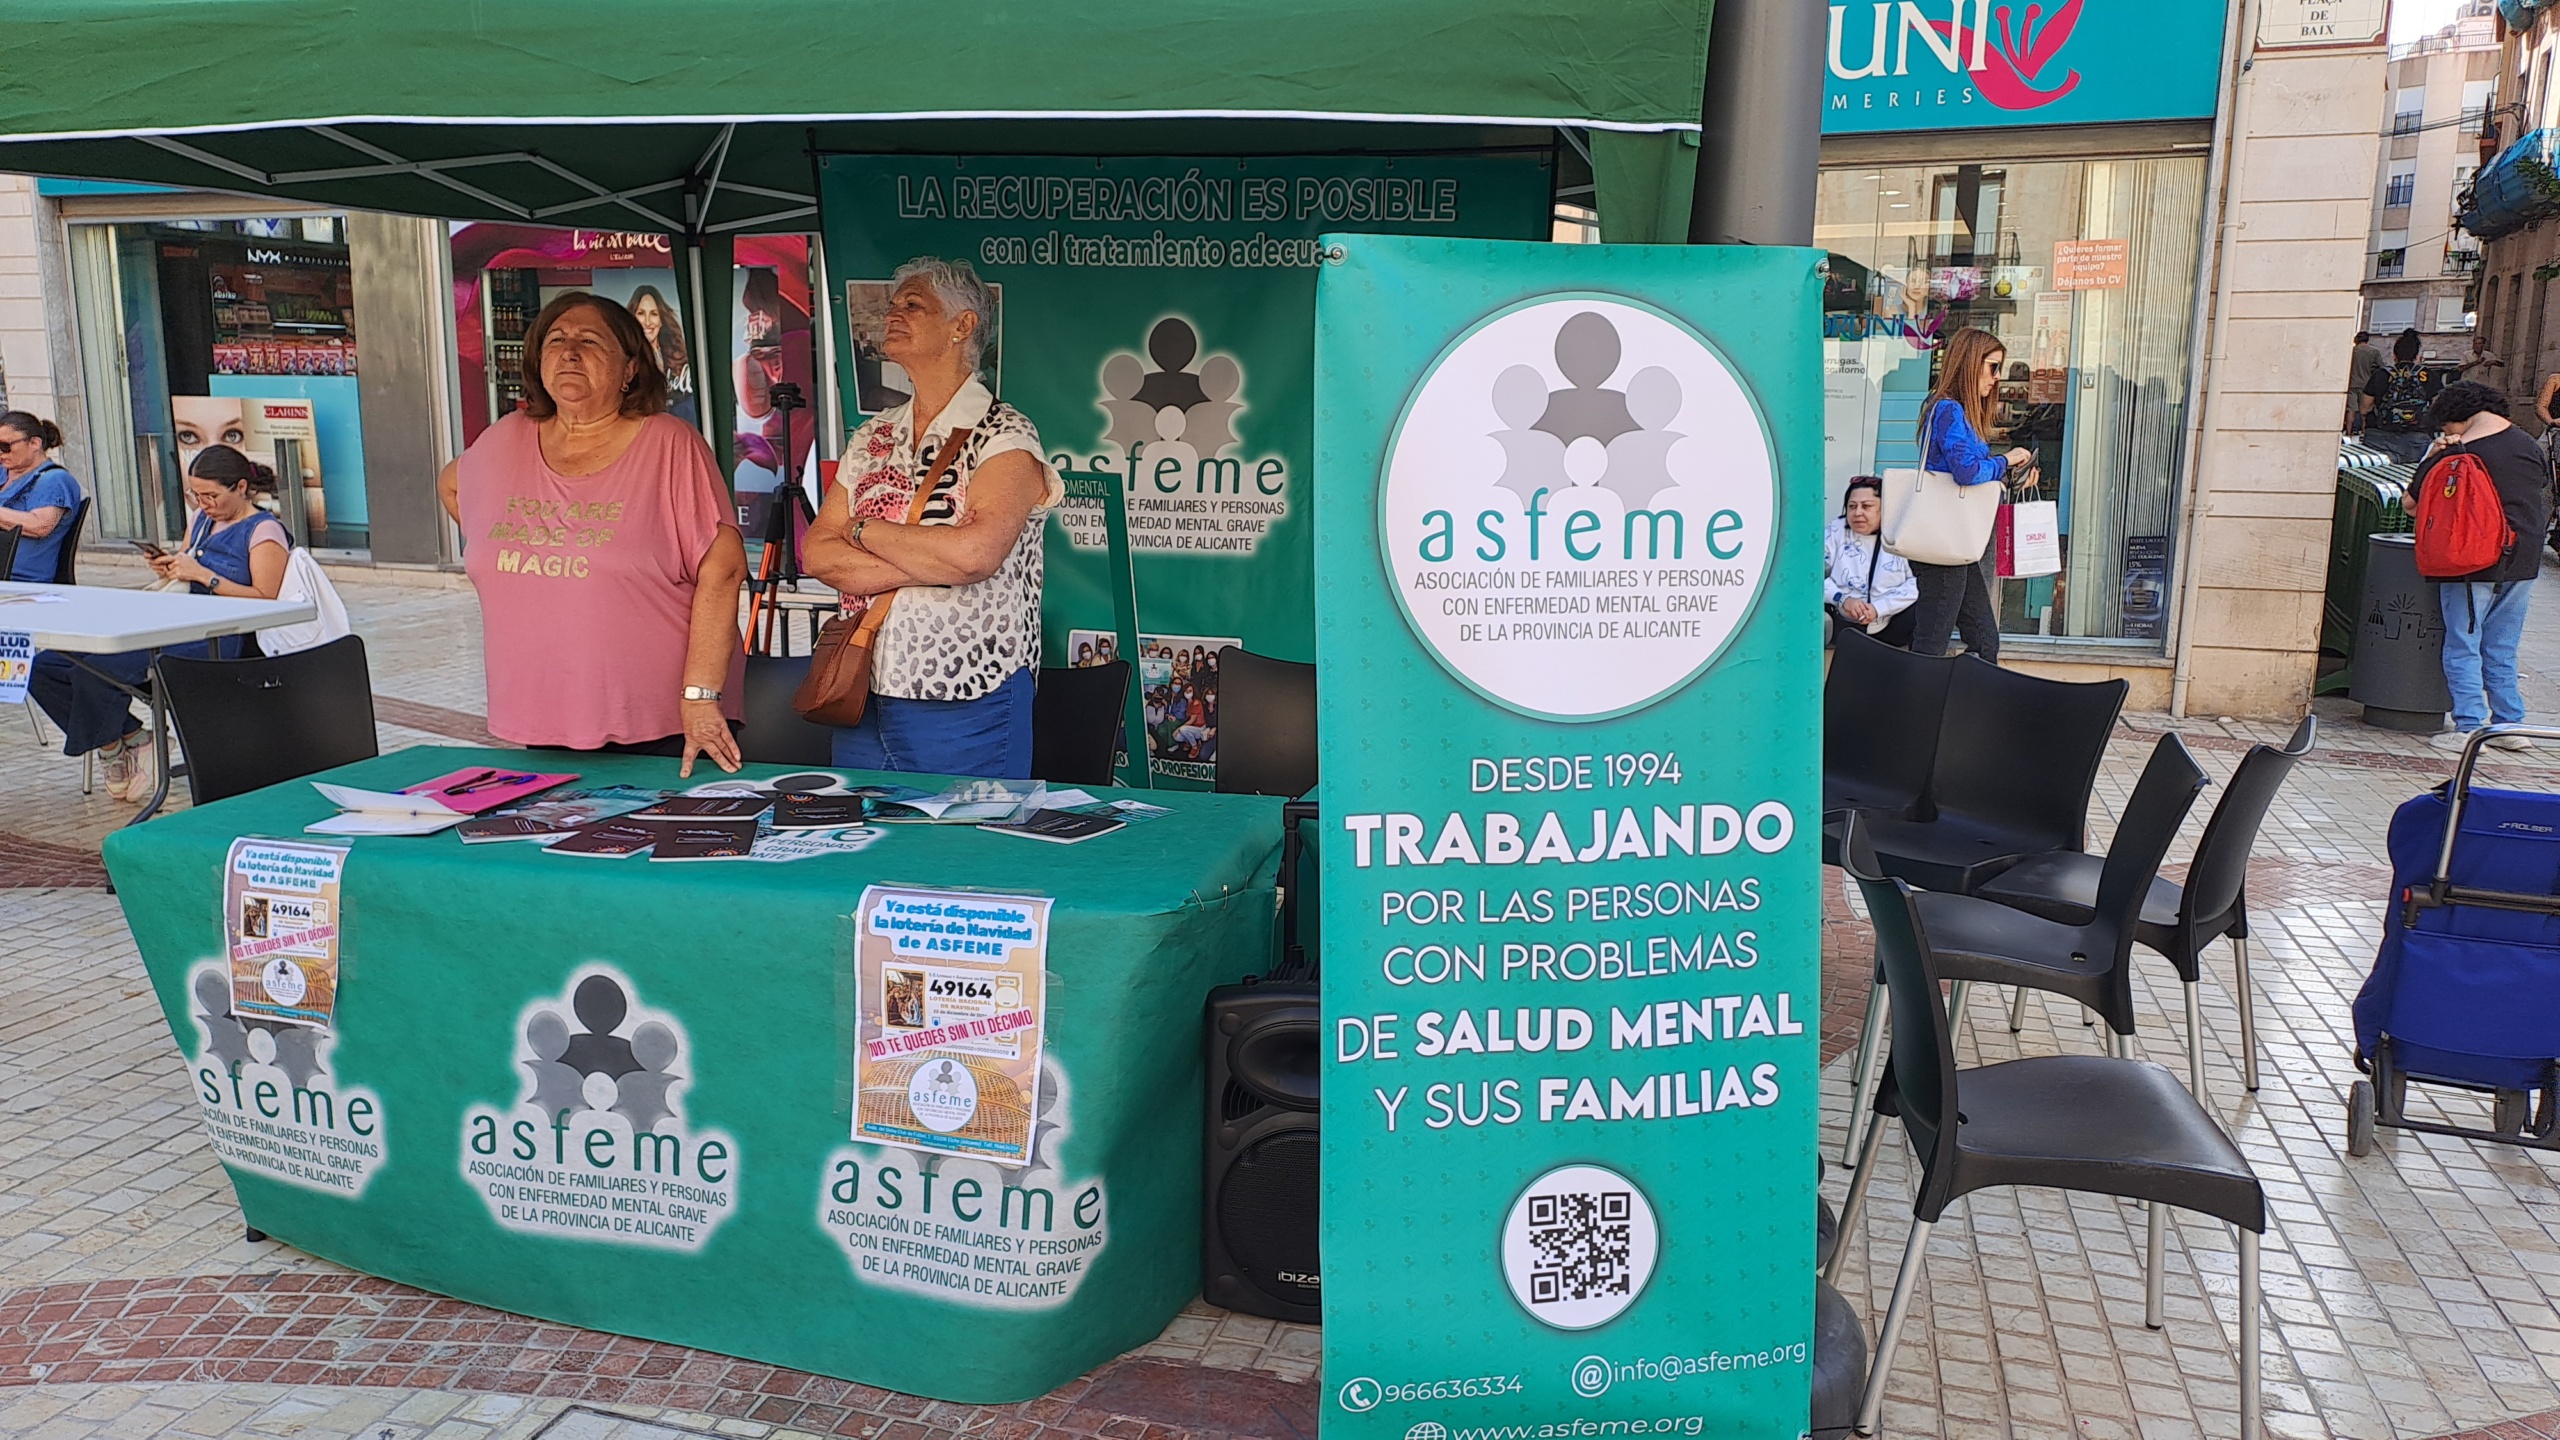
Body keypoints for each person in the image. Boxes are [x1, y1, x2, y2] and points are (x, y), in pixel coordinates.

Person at [436, 291, 747, 775]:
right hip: (545, 718)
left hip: (667, 724)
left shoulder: (669, 443)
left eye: (590, 341)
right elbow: (451, 484)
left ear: (629, 368)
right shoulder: (505, 438)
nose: (570, 351)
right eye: (556, 340)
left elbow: (724, 571)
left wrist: (701, 696)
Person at [802, 257, 1062, 777]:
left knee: (963, 853)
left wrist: (861, 532)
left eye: (913, 305)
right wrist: (930, 556)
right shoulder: (873, 435)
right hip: (862, 682)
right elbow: (816, 553)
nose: (892, 314)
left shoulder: (1004, 434)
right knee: (865, 847)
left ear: (962, 326)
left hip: (967, 691)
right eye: (893, 305)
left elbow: (973, 556)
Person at [29, 445, 291, 800]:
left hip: (220, 636)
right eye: (195, 495)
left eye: (211, 495)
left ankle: (115, 748)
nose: (203, 503)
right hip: (175, 617)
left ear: (241, 488)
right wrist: (172, 567)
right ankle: (131, 739)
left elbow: (266, 599)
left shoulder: (264, 530)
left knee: (96, 669)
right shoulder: (201, 519)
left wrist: (205, 576)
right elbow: (187, 567)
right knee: (44, 665)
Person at [2419, 382, 2552, 753]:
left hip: (2471, 558)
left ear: (2457, 418)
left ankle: (2469, 725)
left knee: (2463, 642)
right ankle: (2510, 724)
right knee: (2502, 645)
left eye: (2445, 426)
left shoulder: (2459, 451)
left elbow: (2413, 502)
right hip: (2524, 558)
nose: (2444, 433)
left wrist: (2433, 454)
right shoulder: (2528, 446)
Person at [1907, 326, 2034, 660]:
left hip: (1956, 540)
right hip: (1941, 540)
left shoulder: (1954, 411)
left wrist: (2009, 476)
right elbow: (1966, 471)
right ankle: (1918, 709)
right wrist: (2005, 460)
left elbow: (1969, 474)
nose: (1996, 378)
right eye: (1992, 367)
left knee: (1983, 640)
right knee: (1933, 642)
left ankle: (1958, 704)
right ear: (1970, 363)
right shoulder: (1949, 409)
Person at [1824, 475, 1919, 648]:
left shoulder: (1901, 536)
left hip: (1891, 623)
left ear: (1885, 509)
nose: (1857, 512)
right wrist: (1843, 599)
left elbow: (1918, 583)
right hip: (1842, 622)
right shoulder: (1836, 530)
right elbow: (1811, 575)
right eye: (1852, 506)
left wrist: (1879, 609)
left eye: (1866, 506)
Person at [0, 411, 83, 582]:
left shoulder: (53, 479)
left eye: (5, 446)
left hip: (19, 580)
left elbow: (39, 525)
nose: (1, 453)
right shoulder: (4, 473)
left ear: (34, 443)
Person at [2361, 330, 2442, 463]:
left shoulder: (2381, 374)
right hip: (2416, 441)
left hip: (2379, 438)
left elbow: (2365, 408)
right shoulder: (2429, 375)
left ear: (2394, 356)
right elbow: (2437, 406)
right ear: (2416, 356)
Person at [627, 285, 695, 425]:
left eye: (653, 314)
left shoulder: (678, 355)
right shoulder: (625, 359)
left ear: (661, 320)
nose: (647, 321)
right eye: (640, 313)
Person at [2348, 331, 2383, 435]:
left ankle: (2348, 434)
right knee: (2365, 411)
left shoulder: (2351, 351)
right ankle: (2364, 433)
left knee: (2351, 410)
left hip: (2352, 384)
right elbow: (2381, 367)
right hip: (2367, 384)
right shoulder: (2374, 351)